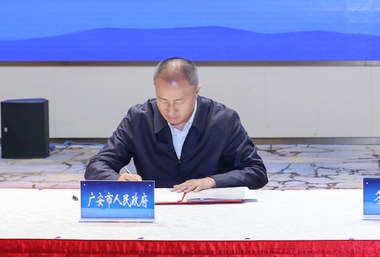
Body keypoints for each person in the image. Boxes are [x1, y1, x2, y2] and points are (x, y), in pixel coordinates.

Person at [85, 57, 268, 192]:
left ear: (196, 92)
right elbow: (97, 165)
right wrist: (118, 179)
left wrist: (211, 181)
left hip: (210, 210)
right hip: (157, 211)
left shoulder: (223, 119)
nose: (170, 111)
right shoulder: (139, 118)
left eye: (179, 102)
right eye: (163, 100)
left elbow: (257, 172)